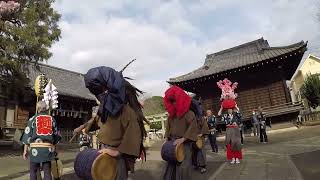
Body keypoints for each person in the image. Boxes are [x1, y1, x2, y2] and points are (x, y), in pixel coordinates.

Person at [73, 66, 147, 179]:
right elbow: (96, 120)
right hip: (103, 153)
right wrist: (82, 127)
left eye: (104, 91)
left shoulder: (127, 111)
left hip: (117, 156)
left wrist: (117, 152)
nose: (102, 95)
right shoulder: (105, 109)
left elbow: (134, 134)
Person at [162, 86, 198, 180]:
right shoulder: (171, 116)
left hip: (184, 144)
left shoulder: (190, 114)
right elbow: (168, 128)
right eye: (172, 101)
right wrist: (167, 139)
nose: (173, 103)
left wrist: (183, 139)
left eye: (175, 100)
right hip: (172, 144)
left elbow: (192, 128)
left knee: (183, 167)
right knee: (170, 167)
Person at [21, 101, 61, 180]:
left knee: (33, 170)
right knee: (47, 171)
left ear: (38, 109)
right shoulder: (52, 119)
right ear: (46, 109)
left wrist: (25, 151)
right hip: (48, 149)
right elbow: (56, 136)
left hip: (35, 149)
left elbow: (27, 135)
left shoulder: (32, 119)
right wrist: (55, 149)